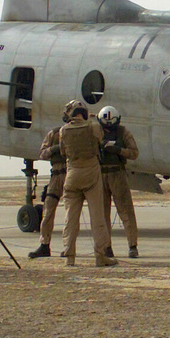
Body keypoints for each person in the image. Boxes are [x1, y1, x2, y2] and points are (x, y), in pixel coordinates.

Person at [58, 100, 116, 267]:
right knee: (97, 217)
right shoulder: (93, 127)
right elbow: (101, 139)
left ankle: (69, 256)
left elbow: (63, 151)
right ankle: (100, 256)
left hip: (72, 174)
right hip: (91, 173)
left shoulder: (63, 131)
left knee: (70, 218)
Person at [27, 106, 72, 258]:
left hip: (71, 174)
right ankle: (44, 244)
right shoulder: (54, 134)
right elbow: (42, 153)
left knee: (71, 213)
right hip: (56, 176)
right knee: (48, 210)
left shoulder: (78, 135)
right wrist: (55, 149)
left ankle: (69, 247)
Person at [97, 106, 140, 258]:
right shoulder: (96, 132)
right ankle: (107, 247)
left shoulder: (123, 132)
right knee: (102, 214)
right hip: (100, 174)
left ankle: (132, 245)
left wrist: (118, 150)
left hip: (117, 174)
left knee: (126, 211)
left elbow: (134, 153)